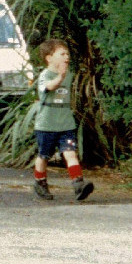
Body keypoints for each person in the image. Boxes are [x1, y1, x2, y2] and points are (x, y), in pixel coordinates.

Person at [32, 38, 94, 202]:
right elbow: (50, 87)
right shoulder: (45, 75)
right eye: (62, 53)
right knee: (44, 155)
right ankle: (40, 182)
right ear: (49, 57)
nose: (67, 56)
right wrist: (60, 77)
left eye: (67, 53)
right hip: (46, 125)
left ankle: (78, 184)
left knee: (70, 153)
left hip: (65, 125)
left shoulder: (69, 75)